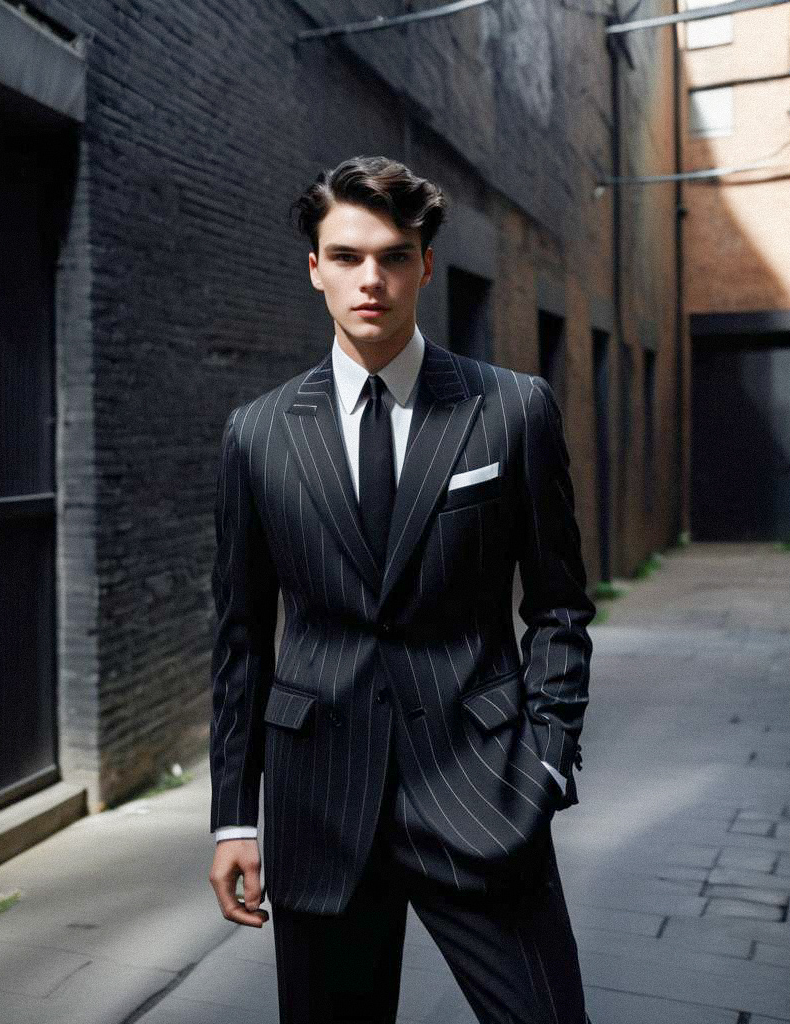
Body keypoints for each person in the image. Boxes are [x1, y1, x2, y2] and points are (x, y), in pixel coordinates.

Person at [208, 155, 596, 1023]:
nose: (370, 278)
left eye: (393, 254)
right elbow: (238, 638)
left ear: (425, 263)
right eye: (346, 256)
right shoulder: (258, 435)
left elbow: (561, 604)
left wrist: (547, 755)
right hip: (318, 806)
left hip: (483, 789)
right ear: (314, 269)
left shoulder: (512, 409)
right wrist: (234, 817)